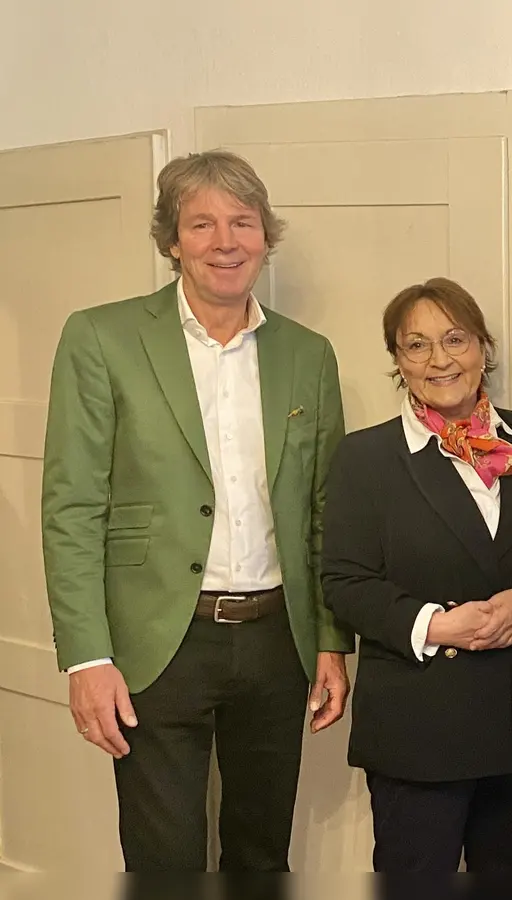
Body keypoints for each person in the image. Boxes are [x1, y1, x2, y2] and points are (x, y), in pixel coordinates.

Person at [41, 150, 352, 870]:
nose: (225, 241)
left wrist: (332, 638)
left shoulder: (308, 354)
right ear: (172, 239)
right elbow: (72, 507)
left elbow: (324, 512)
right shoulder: (101, 338)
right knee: (164, 858)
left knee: (261, 850)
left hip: (278, 642)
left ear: (265, 236)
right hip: (159, 642)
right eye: (202, 223)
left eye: (243, 222)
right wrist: (87, 656)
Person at [320, 277, 512, 872]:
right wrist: (439, 627)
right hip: (417, 730)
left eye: (455, 339)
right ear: (398, 361)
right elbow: (345, 583)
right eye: (416, 345)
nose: (440, 359)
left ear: (483, 346)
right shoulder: (364, 457)